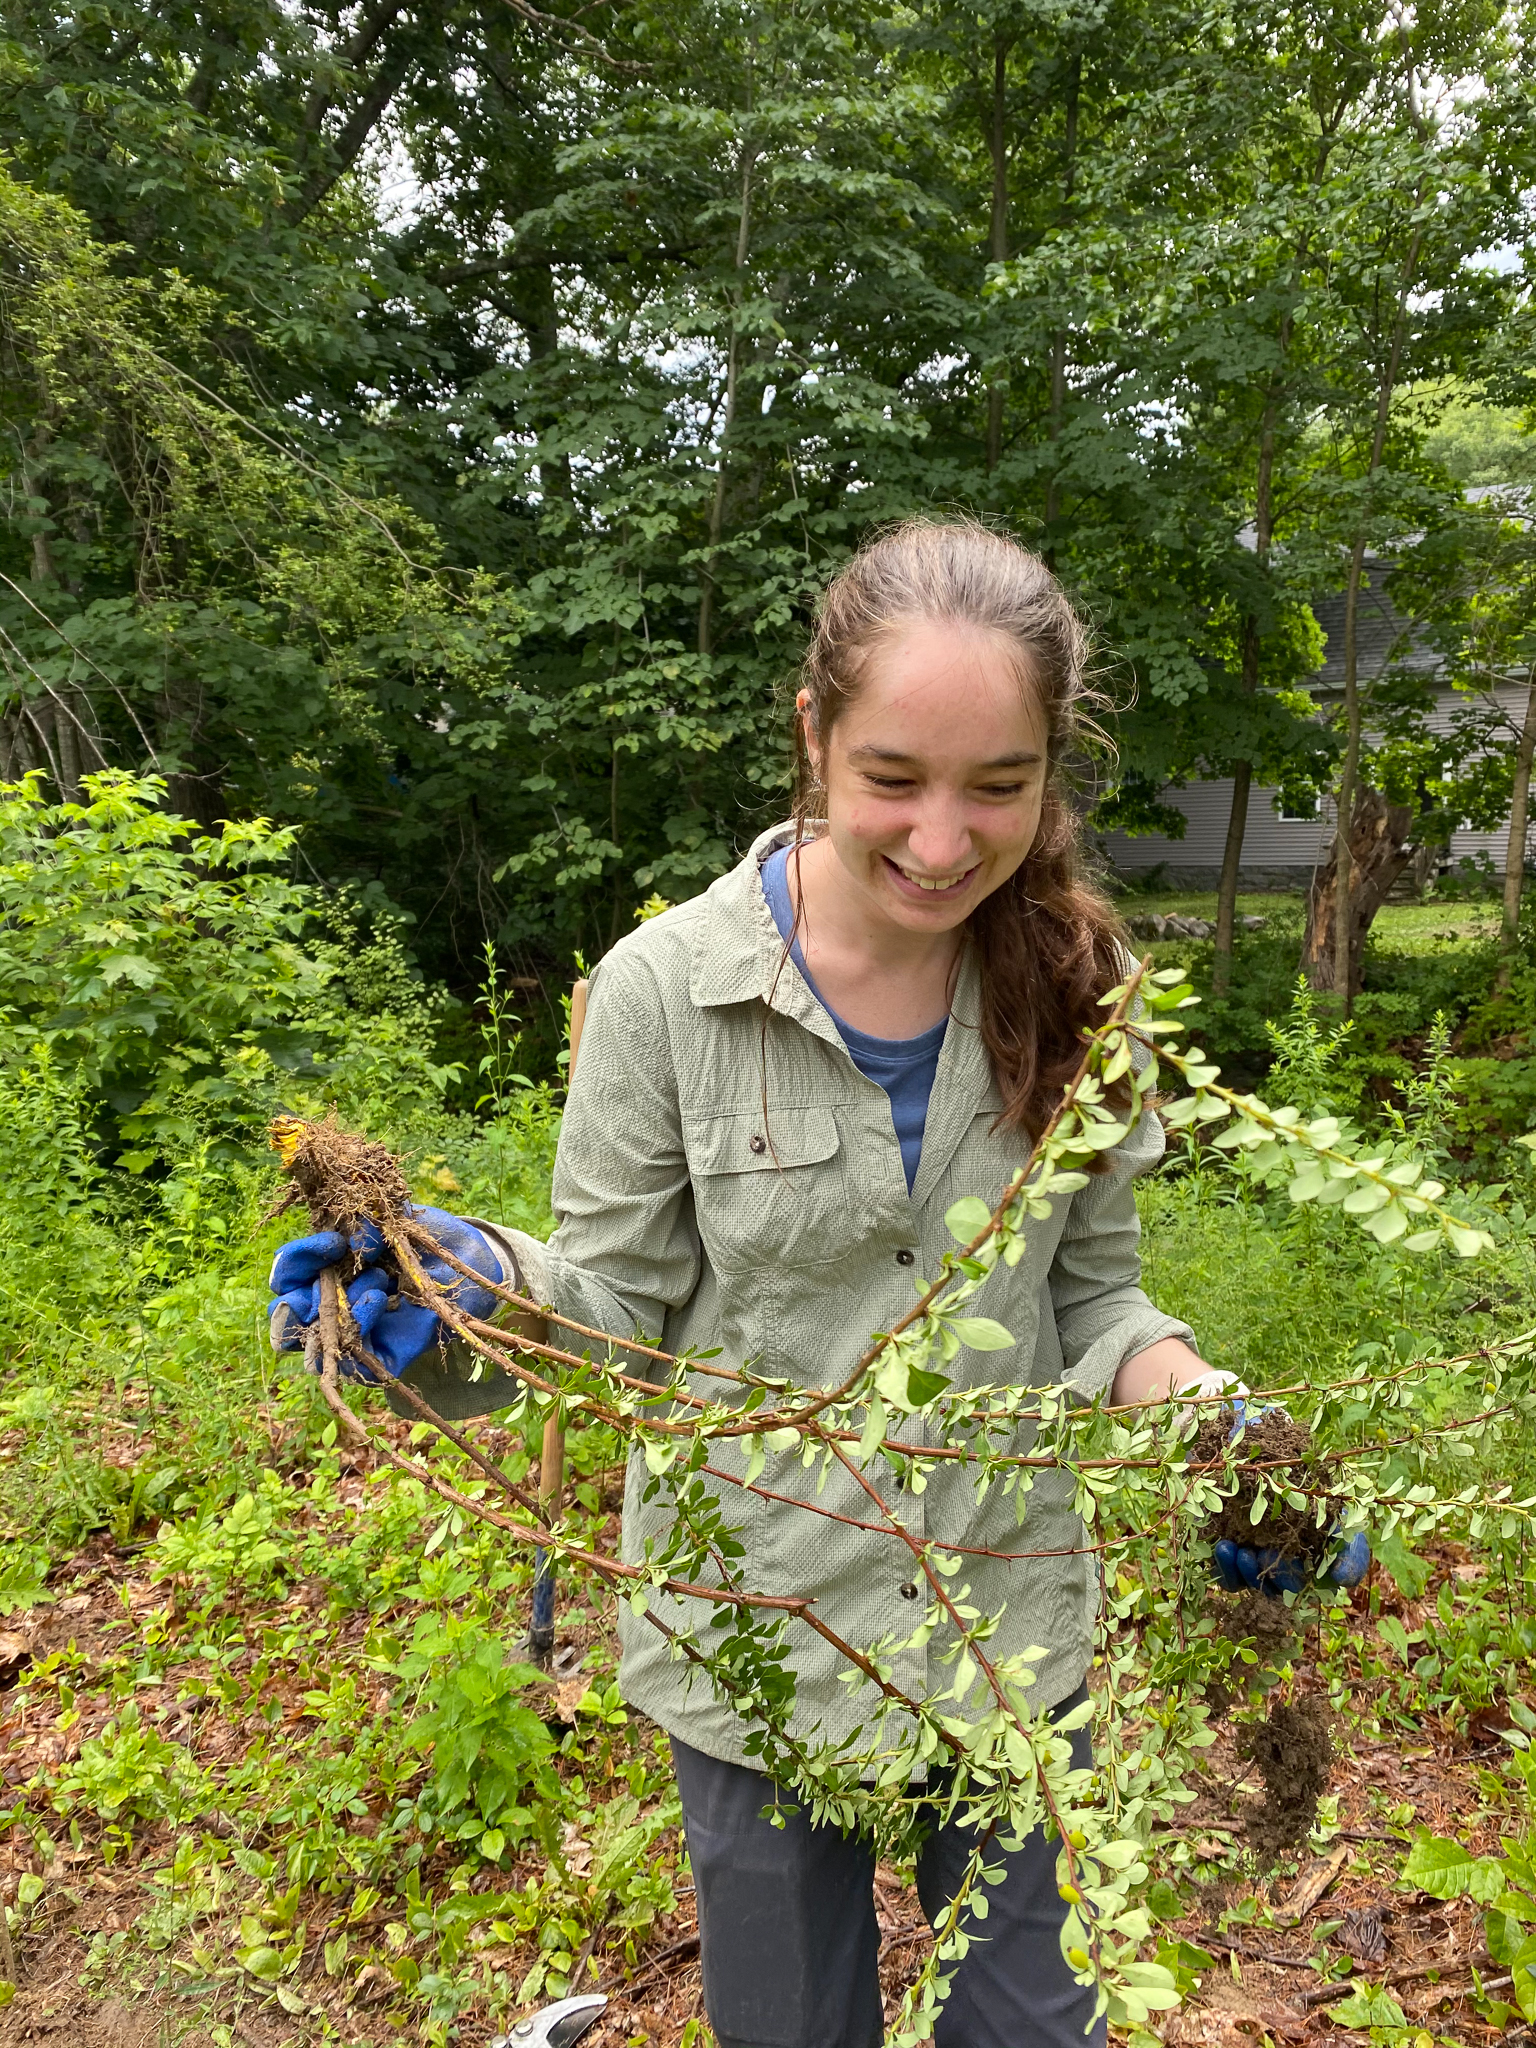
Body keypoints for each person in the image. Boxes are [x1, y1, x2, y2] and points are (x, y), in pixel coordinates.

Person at [269, 520, 1364, 2048]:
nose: (942, 840)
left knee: (1037, 2030)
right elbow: (619, 1310)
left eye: (1000, 786)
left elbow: (1097, 1300)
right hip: (753, 1637)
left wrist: (1221, 1436)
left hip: (1010, 1629)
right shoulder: (664, 991)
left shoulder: (1078, 985)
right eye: (893, 780)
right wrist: (460, 1293)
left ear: (1053, 765)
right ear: (814, 734)